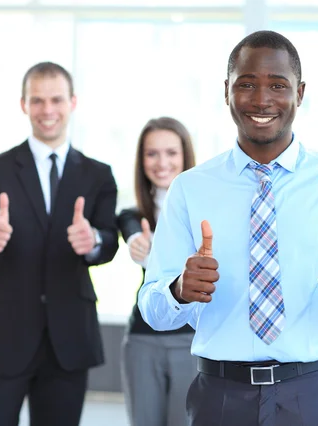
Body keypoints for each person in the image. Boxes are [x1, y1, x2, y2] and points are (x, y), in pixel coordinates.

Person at [138, 30, 318, 426]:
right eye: (247, 84)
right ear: (227, 91)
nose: (262, 100)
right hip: (220, 396)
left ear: (300, 91)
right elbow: (153, 309)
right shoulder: (190, 189)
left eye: (278, 85)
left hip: (310, 394)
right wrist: (177, 290)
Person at [0, 61, 119, 426]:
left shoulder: (98, 174)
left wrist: (93, 240)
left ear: (72, 102)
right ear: (23, 105)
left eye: (56, 100)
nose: (47, 110)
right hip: (2, 335)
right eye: (37, 100)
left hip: (68, 336)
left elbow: (109, 241)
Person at [117, 117, 197, 426]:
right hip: (143, 340)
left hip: (192, 340)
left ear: (184, 156)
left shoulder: (206, 212)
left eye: (171, 153)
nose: (162, 162)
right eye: (152, 153)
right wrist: (138, 243)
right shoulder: (134, 216)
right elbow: (132, 230)